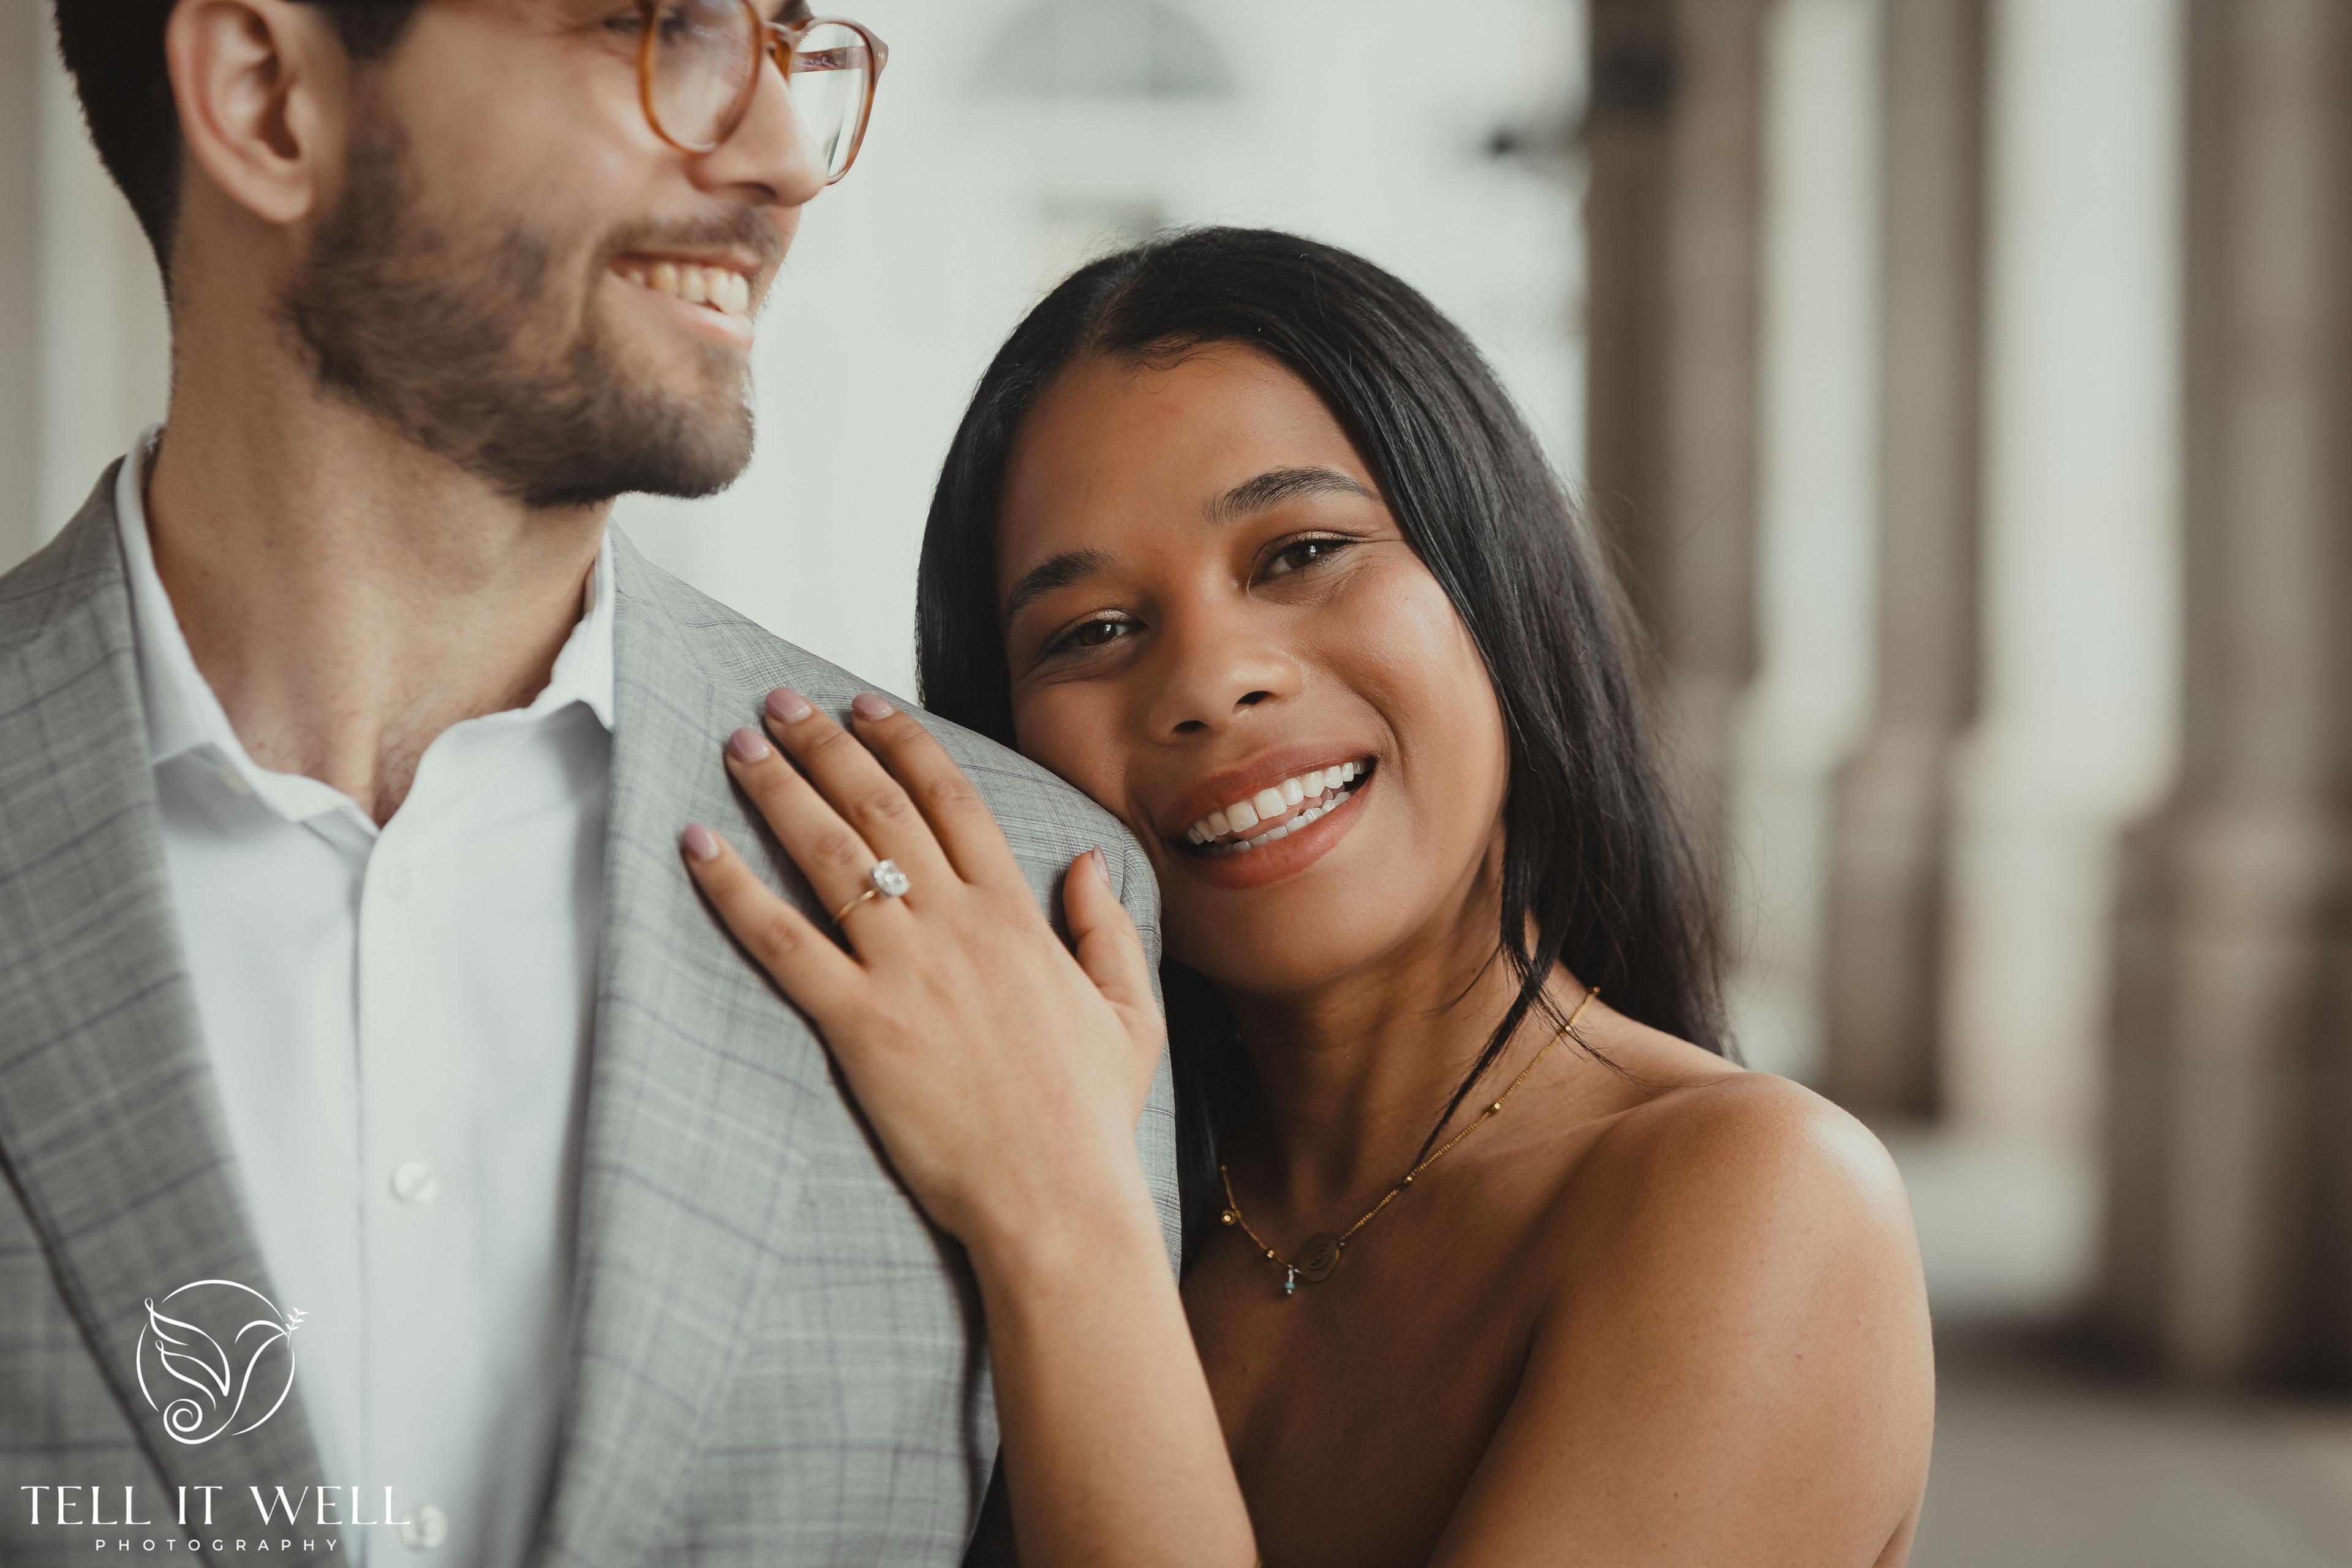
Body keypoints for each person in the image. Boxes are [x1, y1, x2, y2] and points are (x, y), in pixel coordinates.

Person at [0, 4, 1177, 1565]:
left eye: (792, 46)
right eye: (661, 27)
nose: (780, 161)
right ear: (269, 96)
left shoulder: (1034, 899)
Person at [684, 227, 1937, 1566]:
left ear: (1493, 577)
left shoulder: (1759, 1194)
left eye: (1299, 552)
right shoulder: (1069, 1178)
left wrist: (1061, 1219)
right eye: (1094, 630)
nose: (1211, 680)